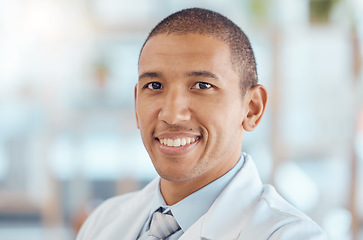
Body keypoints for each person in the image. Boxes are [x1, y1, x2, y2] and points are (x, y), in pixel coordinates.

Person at [76, 8, 327, 240]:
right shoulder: (102, 222)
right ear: (136, 104)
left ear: (252, 109)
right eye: (154, 86)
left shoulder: (290, 235)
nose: (172, 115)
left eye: (202, 86)